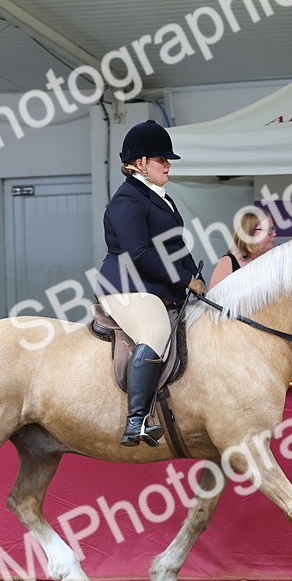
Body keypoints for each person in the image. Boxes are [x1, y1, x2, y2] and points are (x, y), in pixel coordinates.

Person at [94, 119, 204, 447]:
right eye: (161, 159)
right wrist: (185, 279)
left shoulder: (159, 198)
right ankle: (137, 420)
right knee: (155, 332)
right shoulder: (128, 200)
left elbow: (174, 245)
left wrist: (195, 279)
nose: (168, 164)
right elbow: (139, 253)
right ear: (140, 163)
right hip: (126, 286)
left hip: (154, 287)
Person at [209, 209, 276, 287]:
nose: (274, 234)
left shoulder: (274, 261)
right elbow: (212, 298)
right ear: (249, 233)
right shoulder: (228, 262)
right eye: (268, 230)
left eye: (273, 229)